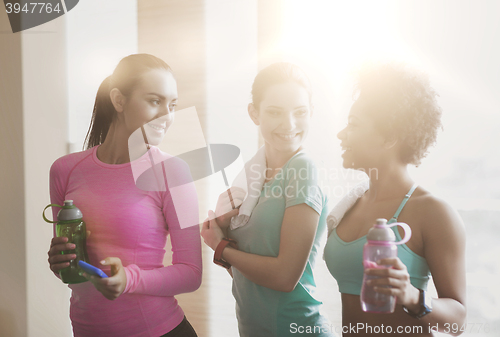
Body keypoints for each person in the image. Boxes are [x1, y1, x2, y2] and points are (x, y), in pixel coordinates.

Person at [47, 54, 202, 337]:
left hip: (159, 330)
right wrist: (59, 261)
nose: (167, 116)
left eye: (173, 105)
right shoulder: (64, 170)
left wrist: (128, 279)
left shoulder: (175, 173)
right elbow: (71, 265)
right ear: (119, 100)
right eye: (155, 101)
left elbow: (191, 273)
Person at [323, 62, 466, 336]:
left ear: (389, 136)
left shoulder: (434, 212)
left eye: (353, 124)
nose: (341, 134)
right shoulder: (351, 205)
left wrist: (411, 295)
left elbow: (457, 321)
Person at [201, 62, 333, 336]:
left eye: (300, 112)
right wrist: (220, 236)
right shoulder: (251, 177)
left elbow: (285, 278)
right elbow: (247, 278)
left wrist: (221, 247)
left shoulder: (302, 169)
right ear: (254, 113)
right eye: (275, 112)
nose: (289, 124)